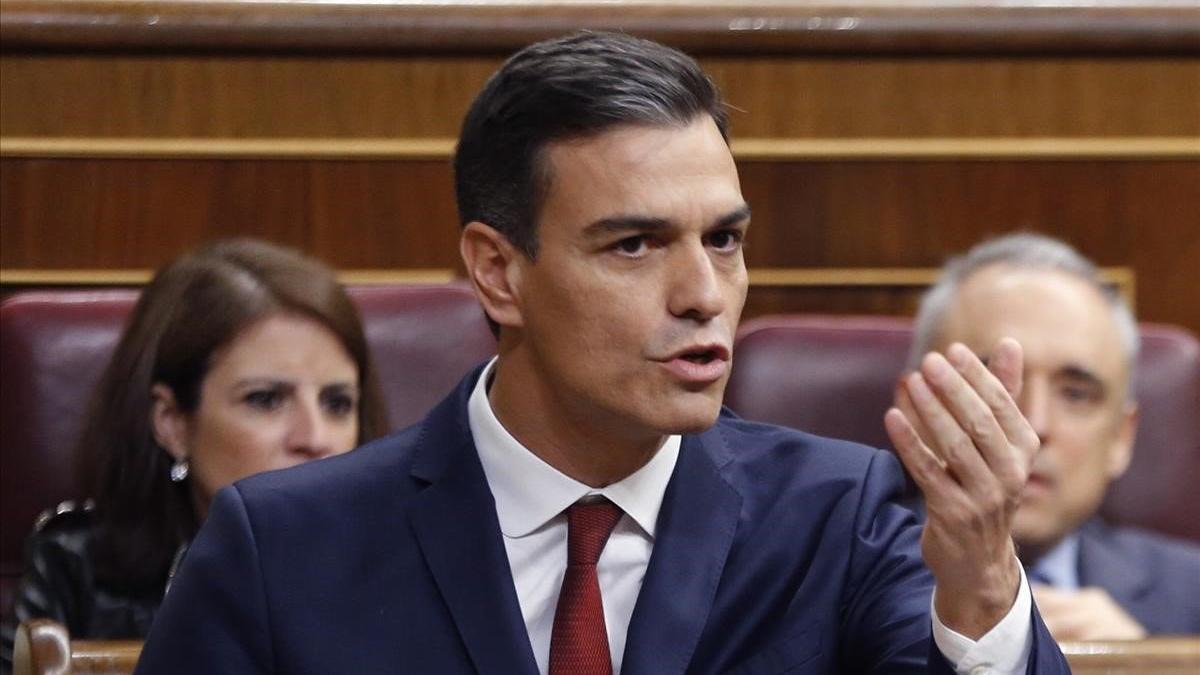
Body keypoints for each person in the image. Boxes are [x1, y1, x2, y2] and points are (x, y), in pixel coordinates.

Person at [136, 32, 1067, 673]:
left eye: (726, 240)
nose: (705, 292)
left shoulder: (842, 519)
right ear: (498, 272)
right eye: (635, 245)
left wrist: (984, 577)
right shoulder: (285, 547)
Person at [0, 238, 388, 670]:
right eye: (265, 399)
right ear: (173, 422)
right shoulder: (74, 570)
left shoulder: (414, 562)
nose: (316, 437)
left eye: (337, 403)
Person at [905, 232, 1200, 639]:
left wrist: (1146, 665)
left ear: (1120, 438)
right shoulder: (826, 582)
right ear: (918, 409)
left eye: (1077, 394)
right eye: (994, 384)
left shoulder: (1191, 599)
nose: (1033, 425)